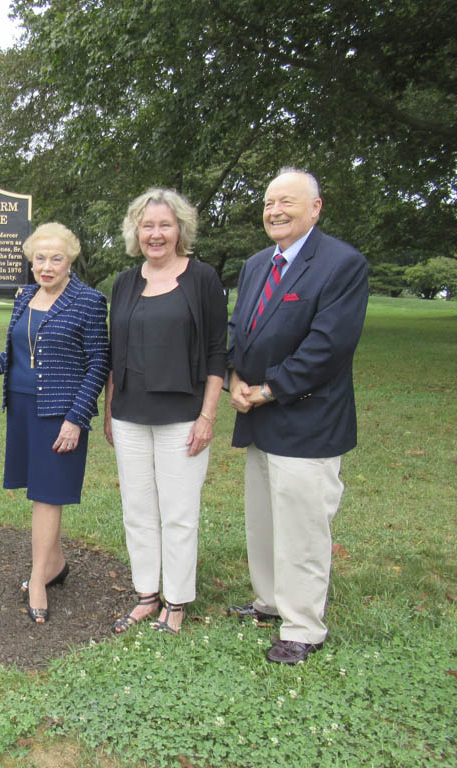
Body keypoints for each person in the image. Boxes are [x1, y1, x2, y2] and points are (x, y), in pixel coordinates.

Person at [227, 168, 368, 664]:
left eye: (287, 201)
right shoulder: (256, 265)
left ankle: (304, 627)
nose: (275, 210)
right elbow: (239, 329)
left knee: (302, 529)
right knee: (264, 522)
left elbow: (327, 348)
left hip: (309, 423)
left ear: (316, 208)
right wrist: (233, 378)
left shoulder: (341, 265)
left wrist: (266, 389)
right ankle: (269, 601)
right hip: (260, 419)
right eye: (268, 202)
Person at [0, 222, 108, 624]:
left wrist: (77, 418)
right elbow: (17, 354)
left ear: (70, 259)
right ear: (30, 260)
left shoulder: (89, 301)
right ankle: (56, 564)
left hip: (59, 414)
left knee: (47, 495)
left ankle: (38, 578)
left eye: (56, 258)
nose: (46, 265)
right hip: (23, 408)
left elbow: (98, 364)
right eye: (39, 257)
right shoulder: (25, 296)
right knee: (41, 492)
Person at [105, 188, 227, 635]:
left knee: (178, 512)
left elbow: (217, 352)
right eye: (148, 226)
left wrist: (208, 415)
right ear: (136, 231)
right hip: (129, 414)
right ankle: (146, 594)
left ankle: (175, 601)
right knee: (137, 509)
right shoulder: (124, 282)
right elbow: (114, 352)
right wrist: (108, 411)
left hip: (183, 416)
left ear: (180, 230)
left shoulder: (202, 279)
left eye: (165, 225)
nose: (156, 234)